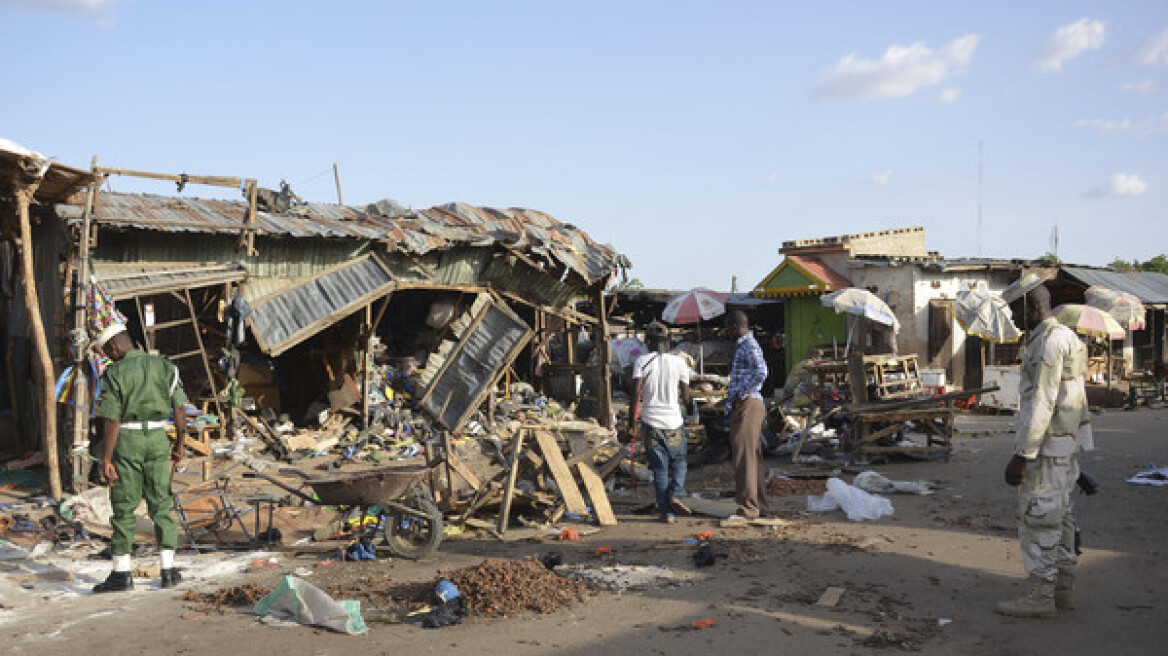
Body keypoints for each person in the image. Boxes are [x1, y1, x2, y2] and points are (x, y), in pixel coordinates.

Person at [997, 274, 1094, 618]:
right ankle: (1062, 590)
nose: (1011, 317)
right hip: (1064, 447)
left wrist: (1022, 455)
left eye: (1014, 310)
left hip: (1047, 449)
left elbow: (1042, 402)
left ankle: (1040, 597)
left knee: (1040, 518)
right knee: (1062, 516)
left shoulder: (1047, 343)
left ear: (1031, 306)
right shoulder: (1066, 336)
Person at [91, 323, 189, 593]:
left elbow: (112, 420)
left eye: (107, 352)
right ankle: (168, 570)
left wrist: (106, 459)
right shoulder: (164, 366)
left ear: (114, 347)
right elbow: (179, 408)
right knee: (161, 505)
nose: (108, 357)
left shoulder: (114, 373)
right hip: (158, 439)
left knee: (124, 507)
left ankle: (121, 574)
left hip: (127, 442)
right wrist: (180, 444)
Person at [631, 322, 692, 523]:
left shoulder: (642, 361)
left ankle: (667, 512)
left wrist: (632, 421)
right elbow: (686, 395)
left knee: (659, 468)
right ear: (668, 341)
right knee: (680, 462)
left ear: (648, 341)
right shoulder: (679, 363)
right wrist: (691, 412)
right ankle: (676, 492)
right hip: (674, 421)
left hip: (651, 422)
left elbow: (635, 394)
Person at [723, 310, 769, 520]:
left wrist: (742, 395)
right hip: (748, 404)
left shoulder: (748, 345)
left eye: (727, 327)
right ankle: (759, 504)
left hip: (748, 405)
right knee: (752, 457)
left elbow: (762, 371)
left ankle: (749, 507)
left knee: (745, 457)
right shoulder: (744, 345)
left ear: (734, 326)